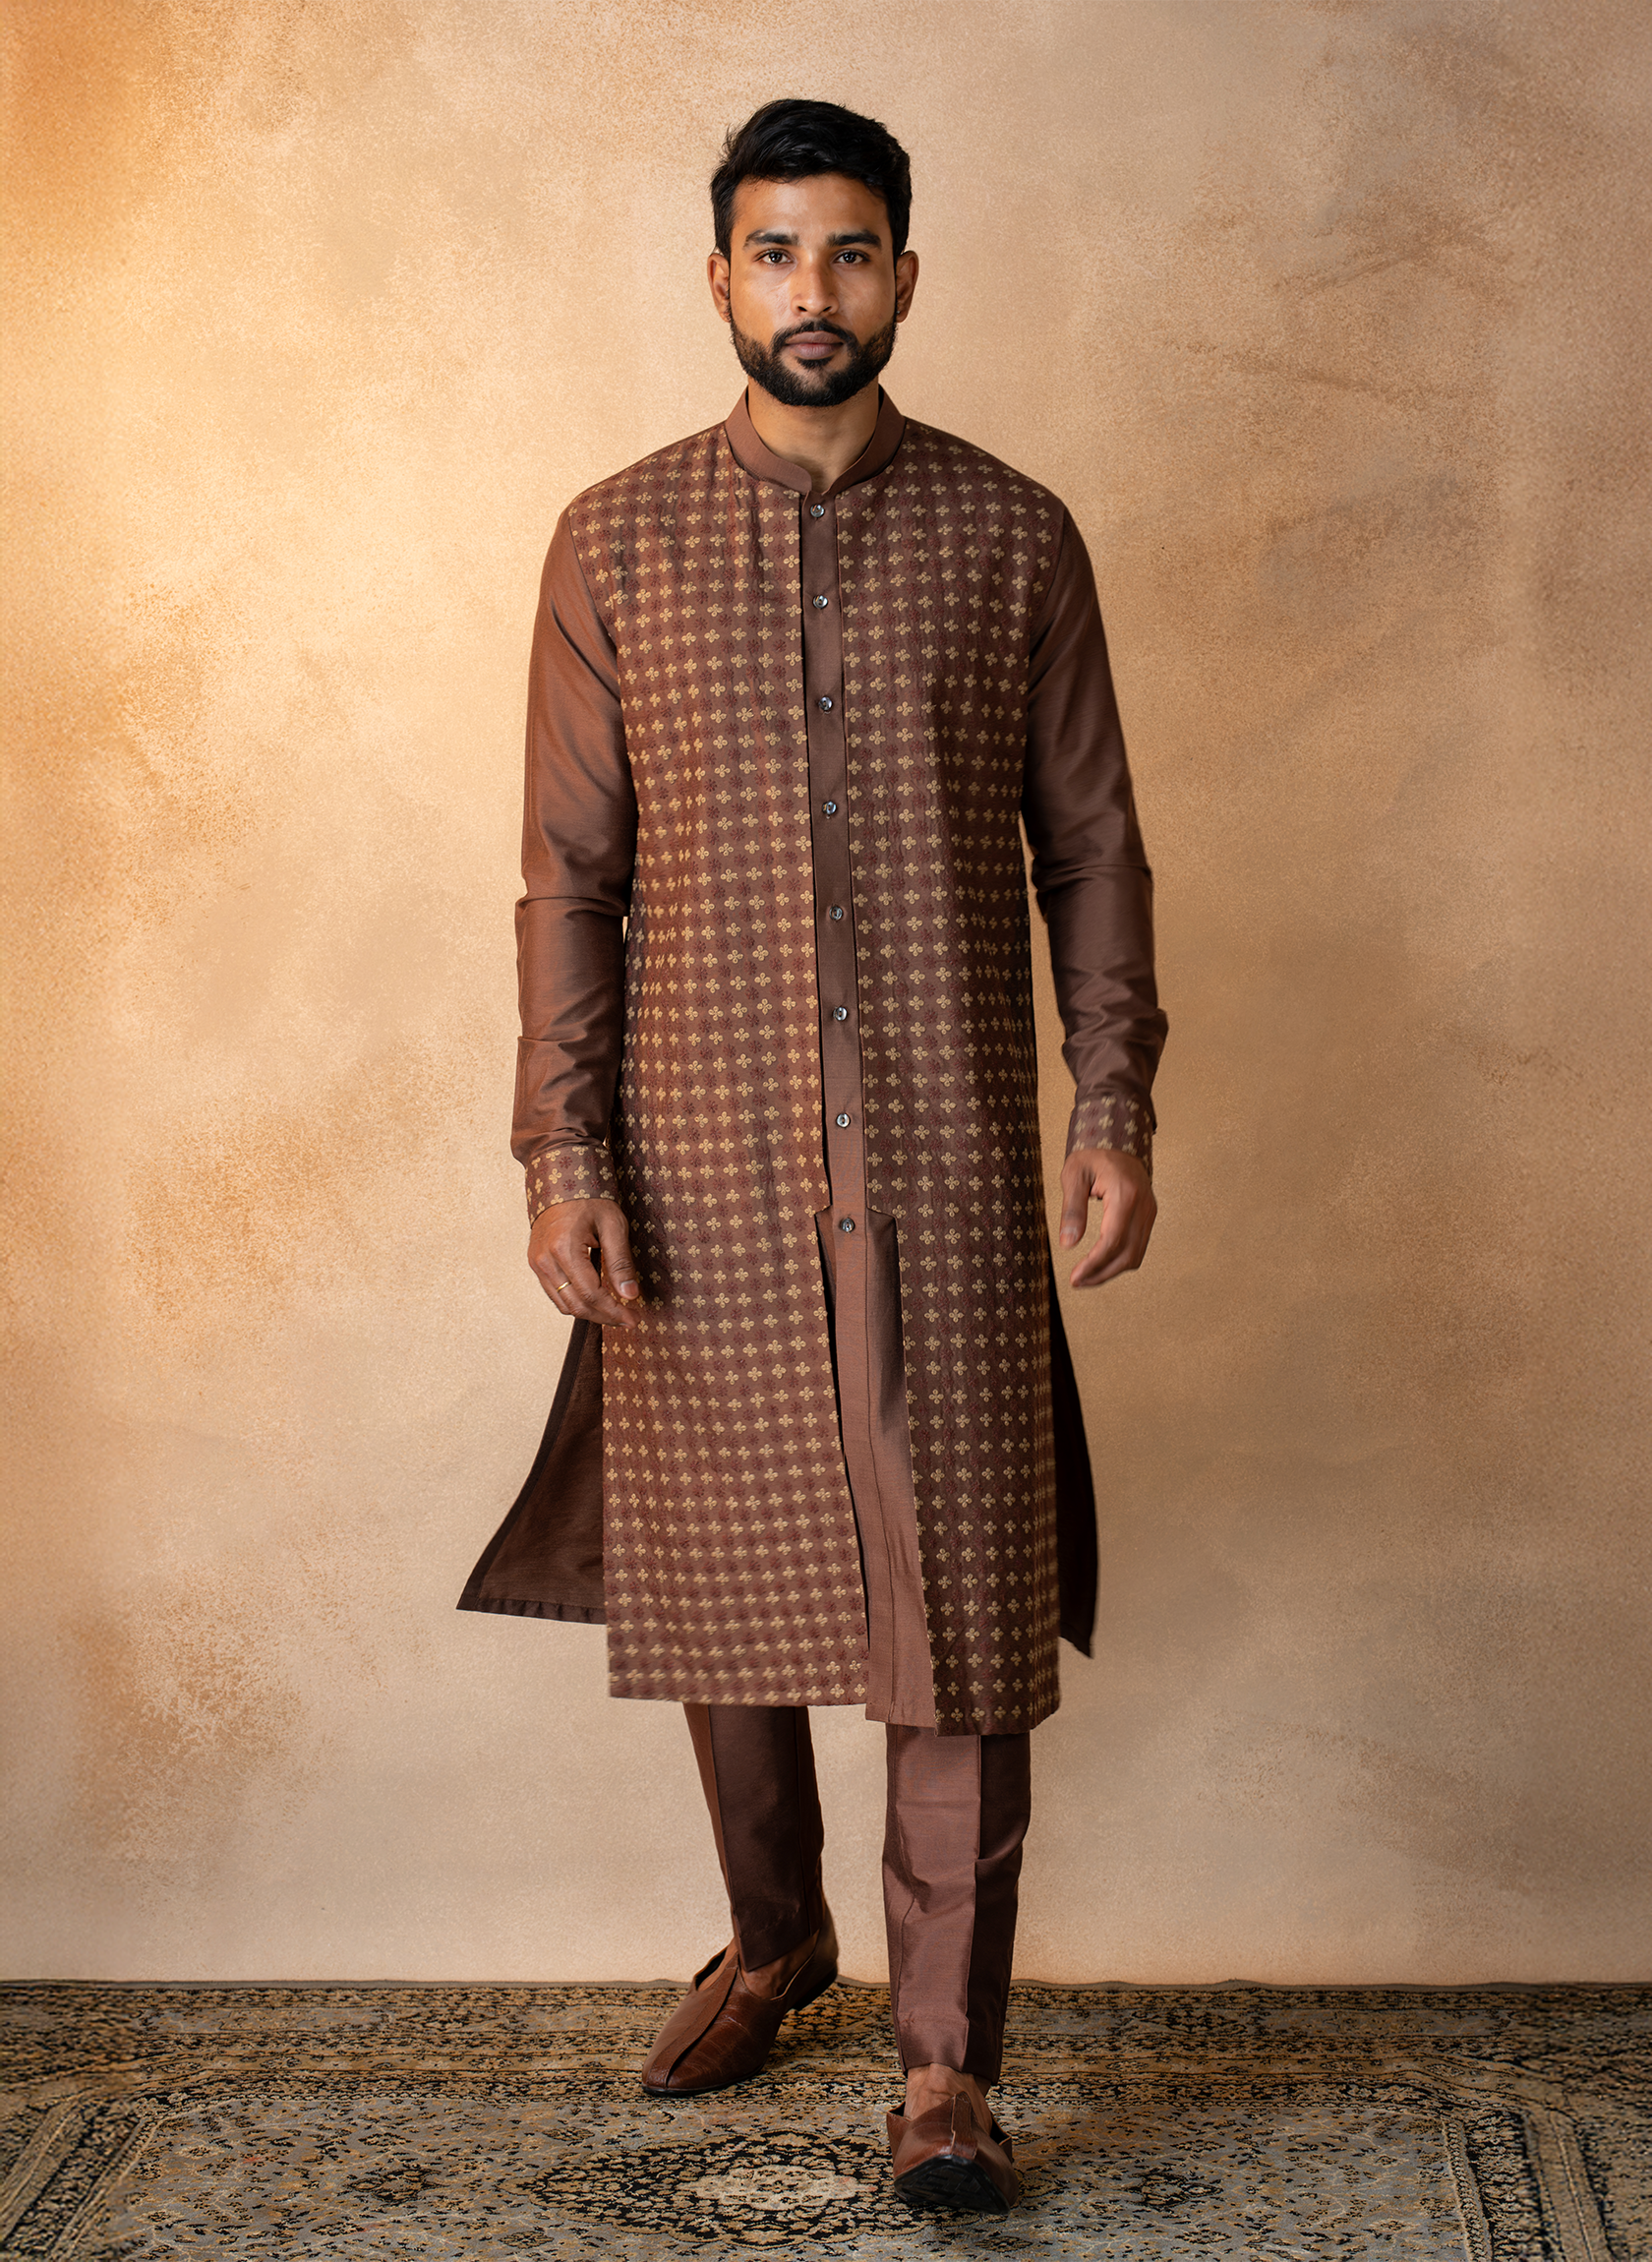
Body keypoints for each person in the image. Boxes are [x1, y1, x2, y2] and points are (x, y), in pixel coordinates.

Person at [460, 96, 1166, 2214]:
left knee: (952, 1599)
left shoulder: (1017, 537)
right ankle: (777, 1942)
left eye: (850, 254)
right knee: (732, 1580)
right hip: (694, 1149)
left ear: (907, 278)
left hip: (944, 1152)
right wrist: (559, 1144)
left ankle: (947, 2069)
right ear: (719, 281)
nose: (812, 295)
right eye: (773, 255)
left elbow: (1097, 849)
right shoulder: (615, 542)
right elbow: (566, 879)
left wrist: (1109, 1098)